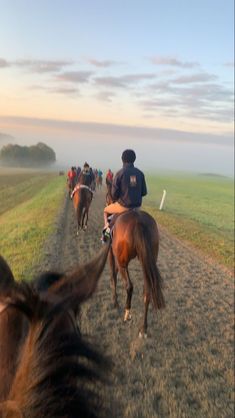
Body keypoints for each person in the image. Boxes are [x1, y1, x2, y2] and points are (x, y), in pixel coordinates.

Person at [101, 149, 147, 242]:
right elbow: (144, 192)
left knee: (106, 211)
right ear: (134, 159)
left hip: (123, 207)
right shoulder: (140, 173)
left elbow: (114, 195)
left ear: (122, 159)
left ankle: (106, 235)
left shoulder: (119, 173)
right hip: (137, 208)